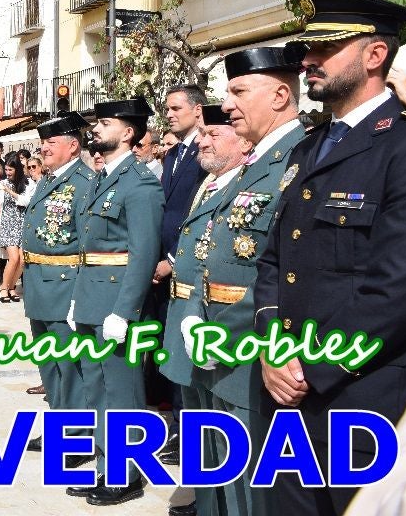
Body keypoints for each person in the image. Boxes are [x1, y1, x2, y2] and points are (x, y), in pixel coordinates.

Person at [254, 0, 406, 515]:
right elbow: (274, 260)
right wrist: (273, 349)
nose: (308, 62)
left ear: (375, 55)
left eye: (326, 49)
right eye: (308, 49)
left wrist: (311, 367)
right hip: (287, 395)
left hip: (363, 399)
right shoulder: (310, 146)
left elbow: (401, 287)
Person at [184, 45, 305, 516]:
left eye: (238, 91)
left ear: (279, 96)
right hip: (220, 341)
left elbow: (282, 270)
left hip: (253, 345)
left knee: (253, 487)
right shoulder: (253, 164)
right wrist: (196, 316)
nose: (226, 103)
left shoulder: (301, 157)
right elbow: (209, 249)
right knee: (224, 480)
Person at [67, 98, 164, 507]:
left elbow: (143, 254)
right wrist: (77, 300)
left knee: (122, 391)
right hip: (91, 296)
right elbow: (88, 247)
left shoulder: (140, 183)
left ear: (127, 133)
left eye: (105, 123)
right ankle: (107, 466)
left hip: (116, 302)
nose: (97, 129)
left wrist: (125, 311)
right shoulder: (100, 178)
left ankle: (126, 475)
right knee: (97, 388)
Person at [160, 105, 253, 516]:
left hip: (219, 318)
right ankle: (204, 499)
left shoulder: (243, 183)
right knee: (196, 417)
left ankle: (212, 503)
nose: (202, 141)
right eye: (203, 134)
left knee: (223, 431)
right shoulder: (210, 182)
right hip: (186, 309)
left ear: (244, 141)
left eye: (214, 133)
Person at [21, 112, 97, 454]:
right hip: (39, 283)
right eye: (43, 142)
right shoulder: (49, 179)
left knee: (70, 367)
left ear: (72, 146)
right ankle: (58, 428)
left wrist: (79, 297)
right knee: (49, 365)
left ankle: (77, 437)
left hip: (64, 284)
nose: (44, 148)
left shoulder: (85, 183)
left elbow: (86, 243)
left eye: (51, 143)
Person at [154, 83, 208, 462]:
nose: (169, 114)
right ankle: (174, 426)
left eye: (175, 108)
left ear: (197, 109)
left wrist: (173, 260)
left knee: (185, 354)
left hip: (185, 266)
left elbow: (198, 212)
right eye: (167, 109)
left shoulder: (207, 152)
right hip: (160, 270)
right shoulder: (174, 155)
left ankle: (190, 433)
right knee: (168, 352)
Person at [0, 157, 28, 304]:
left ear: (17, 170)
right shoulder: (2, 183)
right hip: (8, 224)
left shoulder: (27, 183)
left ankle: (12, 287)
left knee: (22, 260)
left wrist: (9, 191)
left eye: (10, 170)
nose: (7, 173)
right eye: (6, 169)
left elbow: (26, 201)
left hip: (22, 224)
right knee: (13, 258)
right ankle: (3, 288)